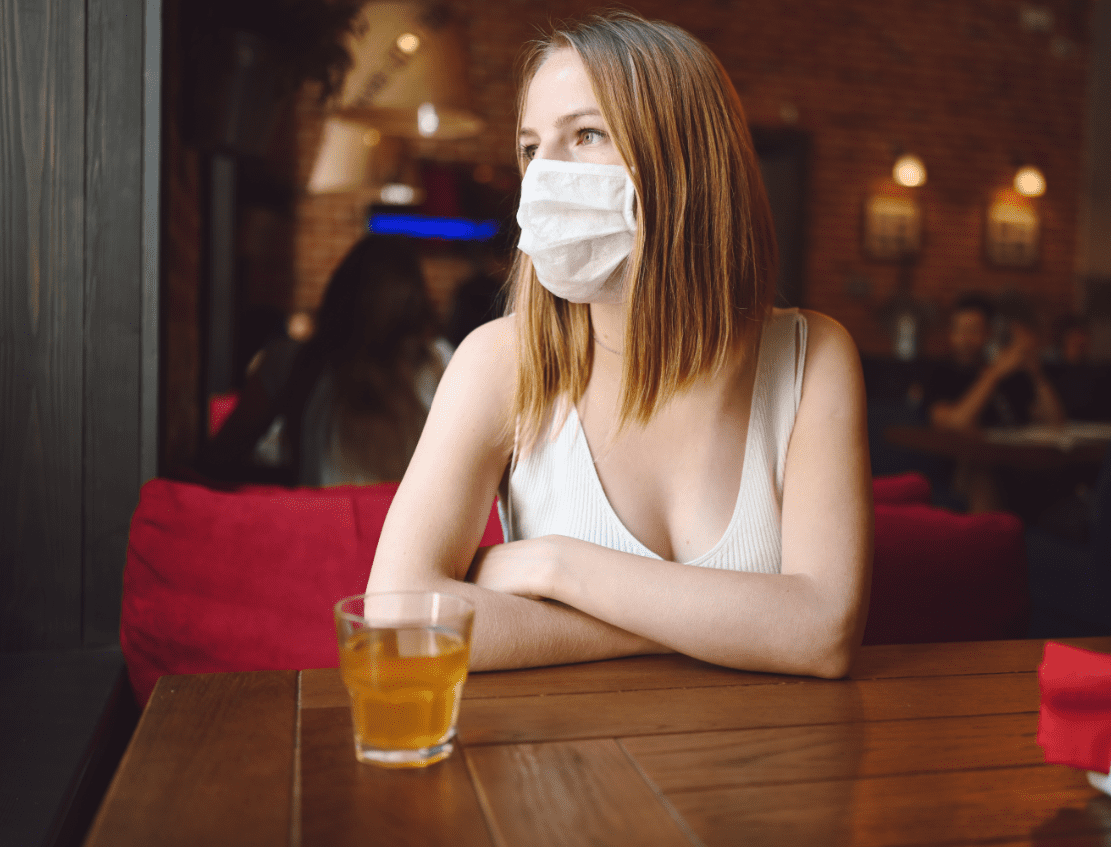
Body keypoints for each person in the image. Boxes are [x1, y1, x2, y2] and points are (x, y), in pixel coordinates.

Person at [366, 13, 873, 679]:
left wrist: (558, 566)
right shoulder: (498, 361)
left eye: (586, 135)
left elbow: (822, 633)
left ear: (685, 160)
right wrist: (713, 629)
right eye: (530, 148)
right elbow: (399, 618)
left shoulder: (815, 356)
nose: (544, 175)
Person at [202, 235, 453, 486]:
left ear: (339, 295)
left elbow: (219, 459)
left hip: (321, 511)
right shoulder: (443, 363)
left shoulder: (290, 361)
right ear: (415, 302)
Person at [924, 293, 1066, 431]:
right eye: (959, 331)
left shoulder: (1008, 373)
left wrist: (1036, 373)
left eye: (973, 331)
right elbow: (955, 424)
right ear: (950, 333)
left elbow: (1056, 423)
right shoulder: (939, 372)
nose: (965, 339)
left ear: (988, 333)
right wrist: (994, 374)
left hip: (1014, 446)